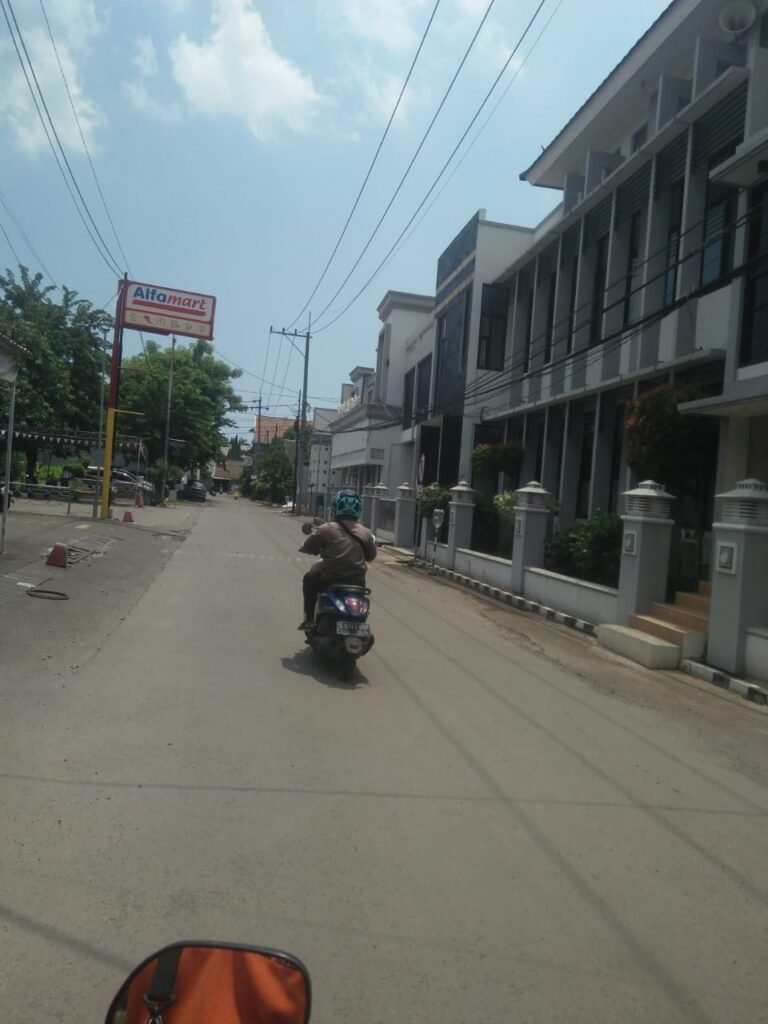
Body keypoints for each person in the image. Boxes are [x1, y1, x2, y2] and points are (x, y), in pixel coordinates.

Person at [298, 490, 376, 629]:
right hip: (357, 580)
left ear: (335, 507)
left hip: (330, 576)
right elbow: (371, 556)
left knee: (309, 579)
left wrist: (304, 548)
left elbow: (309, 546)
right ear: (359, 509)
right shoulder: (365, 532)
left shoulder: (326, 528)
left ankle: (309, 619)